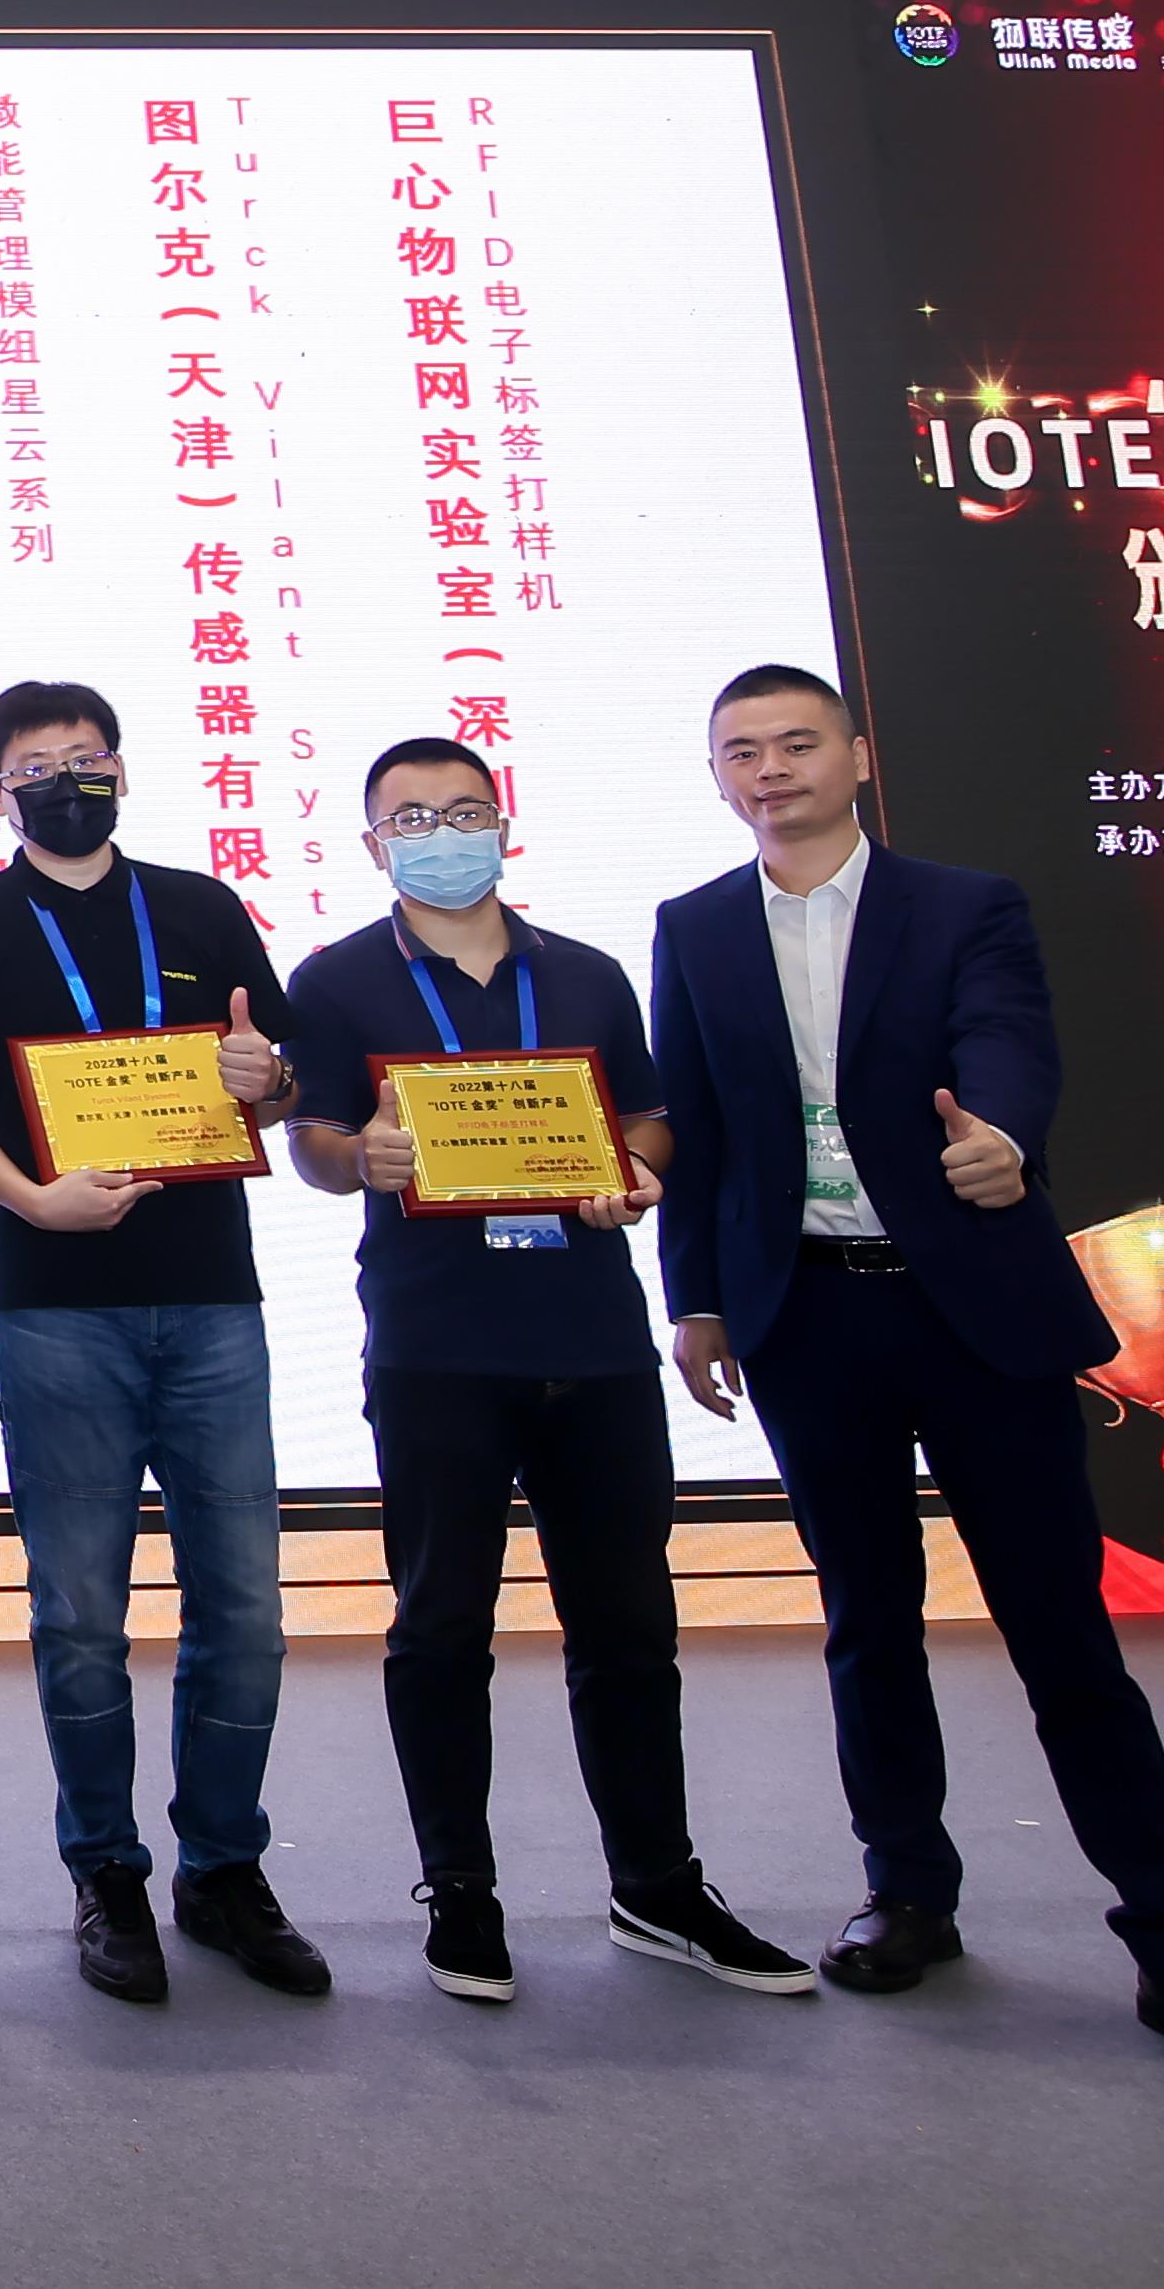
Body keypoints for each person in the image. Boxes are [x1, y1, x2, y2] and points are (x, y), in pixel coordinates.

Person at [651, 666, 1164, 2100]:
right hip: (804, 1316)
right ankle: (907, 1890)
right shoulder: (693, 926)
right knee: (867, 1621)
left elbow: (1007, 1043)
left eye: (796, 742)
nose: (769, 769)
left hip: (971, 1307)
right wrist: (696, 1298)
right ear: (717, 777)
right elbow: (695, 1128)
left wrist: (1001, 1137)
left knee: (1060, 1634)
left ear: (857, 754)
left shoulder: (964, 906)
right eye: (740, 751)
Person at [275, 737, 811, 2008]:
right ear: (374, 845)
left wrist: (638, 1167)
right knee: (442, 1621)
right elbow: (313, 1140)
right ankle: (460, 1889)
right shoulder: (337, 978)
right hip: (436, 1344)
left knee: (627, 1623)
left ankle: (659, 1883)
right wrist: (363, 1160)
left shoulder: (583, 971)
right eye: (412, 817)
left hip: (593, 1341)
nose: (442, 833)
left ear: (504, 823)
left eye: (465, 809)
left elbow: (649, 1114)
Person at [0, 680, 314, 2007]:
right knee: (79, 1612)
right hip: (51, 1306)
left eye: (85, 756)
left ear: (122, 771)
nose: (64, 778)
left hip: (212, 1301)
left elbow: (278, 1075)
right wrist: (34, 1201)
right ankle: (107, 1872)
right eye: (35, 765)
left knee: (243, 1608)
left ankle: (224, 1866)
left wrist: (269, 1081)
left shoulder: (200, 906)